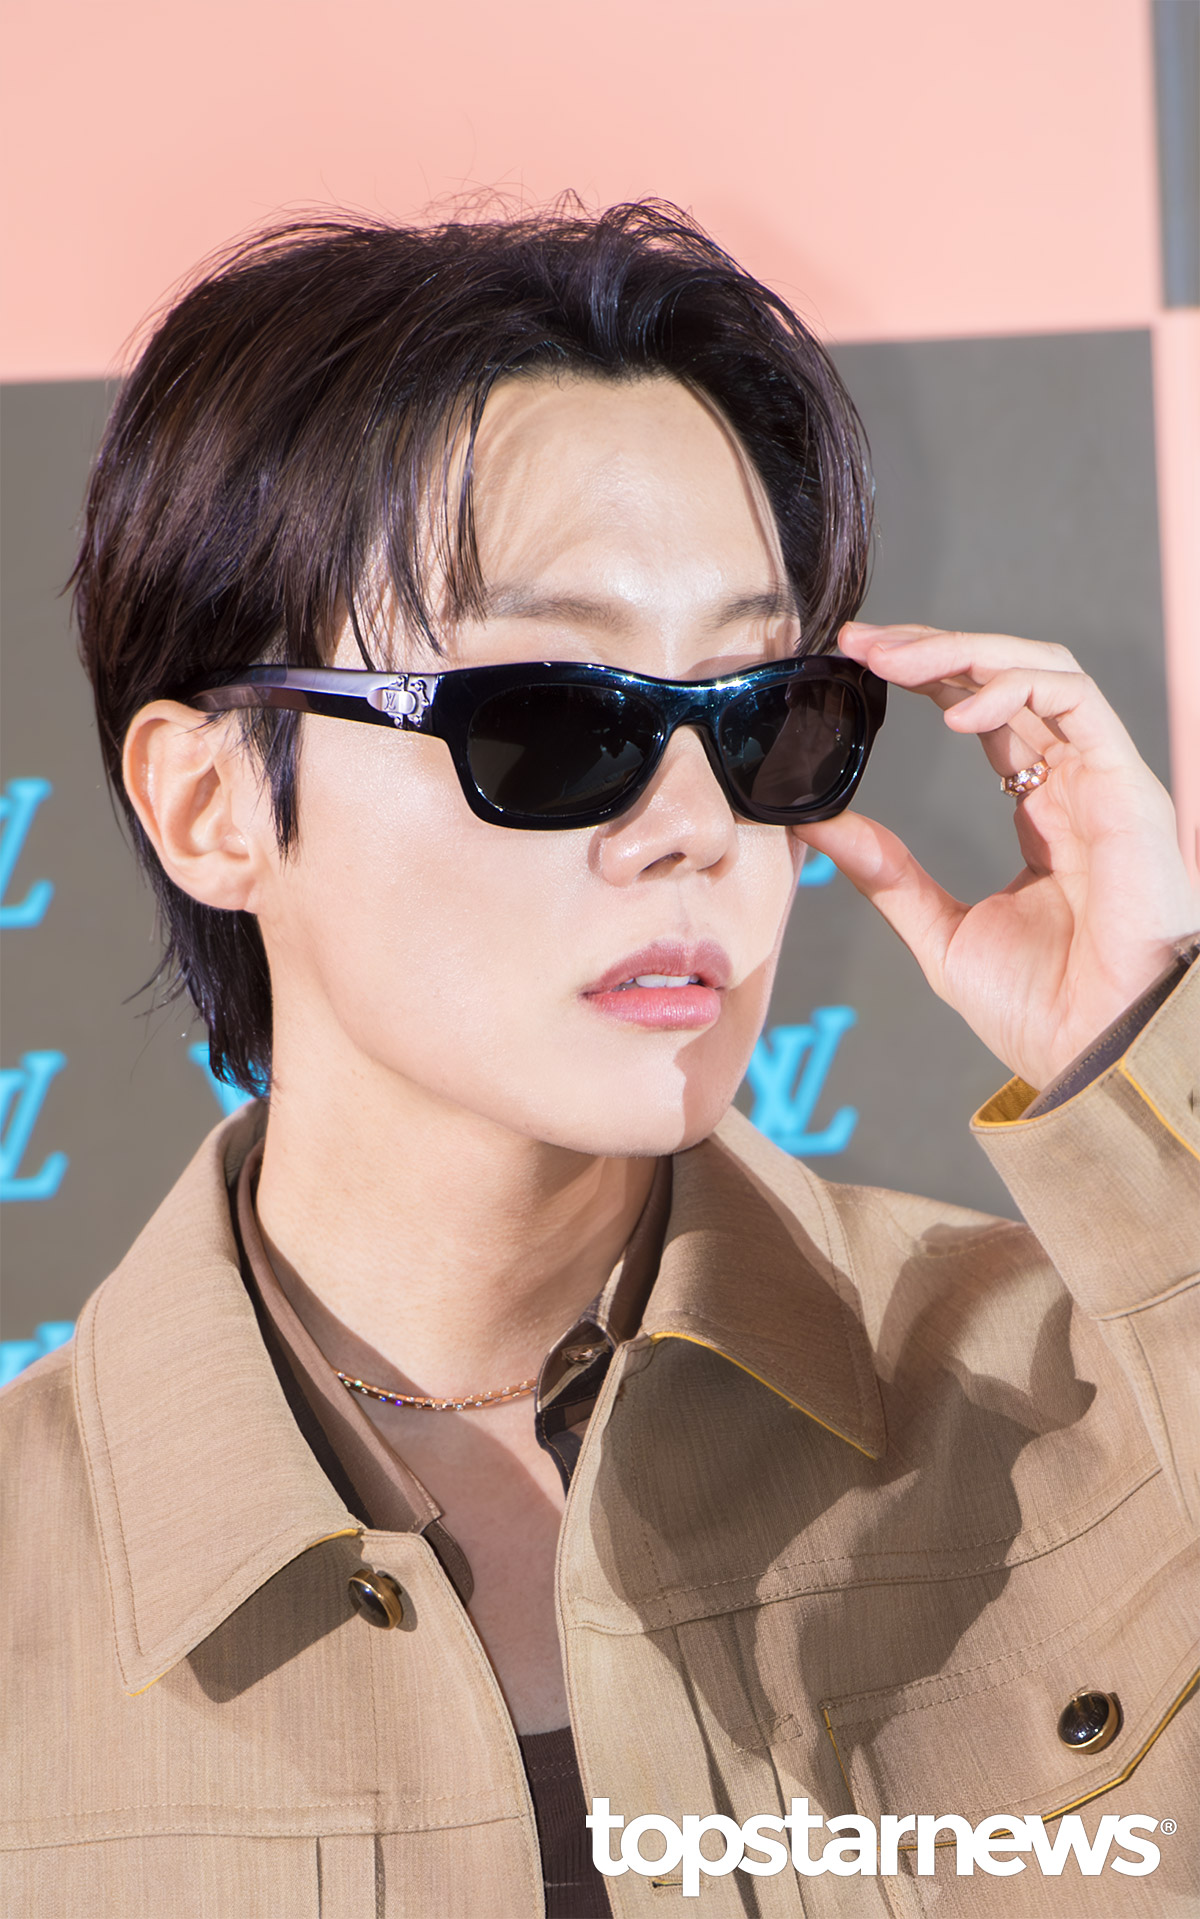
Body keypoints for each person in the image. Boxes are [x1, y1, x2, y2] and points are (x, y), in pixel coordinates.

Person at [1, 202, 1197, 1918]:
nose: (695, 825)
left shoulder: (1098, 1404)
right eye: (553, 722)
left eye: (757, 712)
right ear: (210, 805)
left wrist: (1150, 1043)